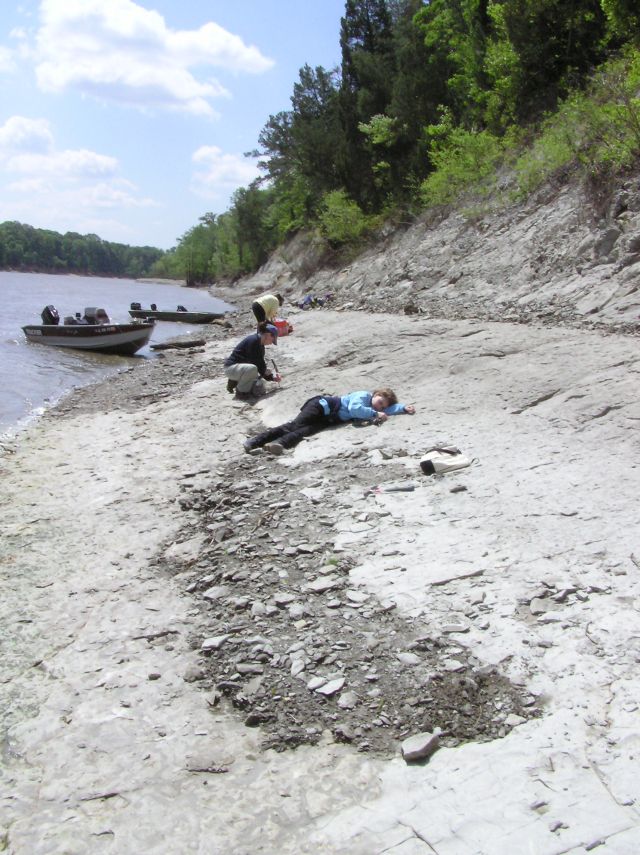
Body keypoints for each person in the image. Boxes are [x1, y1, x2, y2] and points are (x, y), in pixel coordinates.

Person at [243, 388, 416, 455]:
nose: (379, 406)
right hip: (321, 406)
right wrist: (375, 413)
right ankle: (255, 441)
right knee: (294, 426)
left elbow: (387, 410)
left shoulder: (376, 407)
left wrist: (402, 408)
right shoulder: (363, 396)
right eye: (379, 401)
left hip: (329, 419)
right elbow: (355, 409)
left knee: (305, 432)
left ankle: (278, 444)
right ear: (375, 394)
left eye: (382, 406)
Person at [224, 322, 282, 399]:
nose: (271, 343)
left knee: (259, 384)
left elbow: (260, 365)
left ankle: (235, 382)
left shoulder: (261, 346)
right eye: (273, 340)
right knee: (252, 369)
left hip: (241, 369)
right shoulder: (253, 340)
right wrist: (265, 371)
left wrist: (272, 377)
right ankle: (241, 393)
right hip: (231, 368)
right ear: (268, 334)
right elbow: (254, 362)